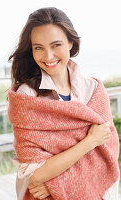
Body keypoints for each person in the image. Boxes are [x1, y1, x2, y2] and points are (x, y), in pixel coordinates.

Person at [8, 7, 120, 200]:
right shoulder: (27, 97)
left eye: (56, 45)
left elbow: (107, 154)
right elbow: (36, 174)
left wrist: (58, 182)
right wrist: (90, 141)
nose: (48, 56)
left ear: (70, 42)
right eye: (38, 48)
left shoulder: (93, 89)